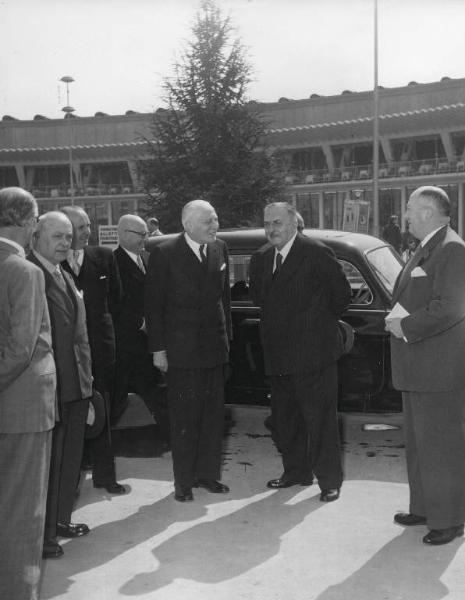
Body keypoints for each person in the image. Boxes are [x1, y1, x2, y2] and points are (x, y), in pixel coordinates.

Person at [249, 202, 351, 502]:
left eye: (278, 223)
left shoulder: (316, 252)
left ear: (293, 224)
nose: (271, 229)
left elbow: (341, 296)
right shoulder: (261, 258)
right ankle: (295, 472)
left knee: (320, 421)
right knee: (286, 419)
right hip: (278, 355)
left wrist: (315, 325)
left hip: (314, 354)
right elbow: (260, 299)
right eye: (267, 223)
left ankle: (329, 481)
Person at [386, 186, 465, 545]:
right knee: (420, 445)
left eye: (410, 210)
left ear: (430, 212)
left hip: (438, 367)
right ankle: (423, 506)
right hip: (420, 364)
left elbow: (450, 307)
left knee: (441, 447)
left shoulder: (452, 249)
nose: (405, 216)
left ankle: (449, 519)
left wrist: (404, 325)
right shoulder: (428, 246)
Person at [145, 199, 231, 502]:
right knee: (184, 419)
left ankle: (208, 475)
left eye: (216, 220)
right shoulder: (164, 254)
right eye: (207, 221)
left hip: (214, 349)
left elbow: (224, 301)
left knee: (212, 416)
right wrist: (158, 349)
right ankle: (183, 482)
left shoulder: (220, 249)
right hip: (181, 352)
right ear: (188, 225)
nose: (214, 226)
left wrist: (227, 341)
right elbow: (153, 306)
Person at [0, 188, 56, 599]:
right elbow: (21, 349)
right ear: (29, 223)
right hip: (22, 408)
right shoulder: (25, 271)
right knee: (22, 515)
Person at [29, 212, 93, 559]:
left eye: (68, 237)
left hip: (75, 385)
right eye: (57, 237)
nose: (66, 243)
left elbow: (79, 334)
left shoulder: (63, 272)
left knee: (70, 460)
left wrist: (87, 383)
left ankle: (61, 519)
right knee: (48, 467)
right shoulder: (30, 274)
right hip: (50, 389)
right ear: (36, 237)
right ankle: (43, 534)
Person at [60, 205, 126, 495]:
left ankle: (105, 476)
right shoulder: (53, 262)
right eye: (80, 227)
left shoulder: (104, 257)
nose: (87, 231)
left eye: (88, 225)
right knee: (70, 416)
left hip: (101, 350)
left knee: (103, 412)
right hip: (68, 355)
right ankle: (69, 481)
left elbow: (118, 300)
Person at [112, 214, 170, 442]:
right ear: (124, 234)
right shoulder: (113, 261)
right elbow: (115, 302)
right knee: (115, 401)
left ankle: (175, 440)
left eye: (147, 233)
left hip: (148, 344)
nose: (146, 238)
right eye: (141, 234)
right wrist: (141, 322)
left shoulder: (147, 258)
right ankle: (94, 447)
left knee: (157, 393)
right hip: (126, 346)